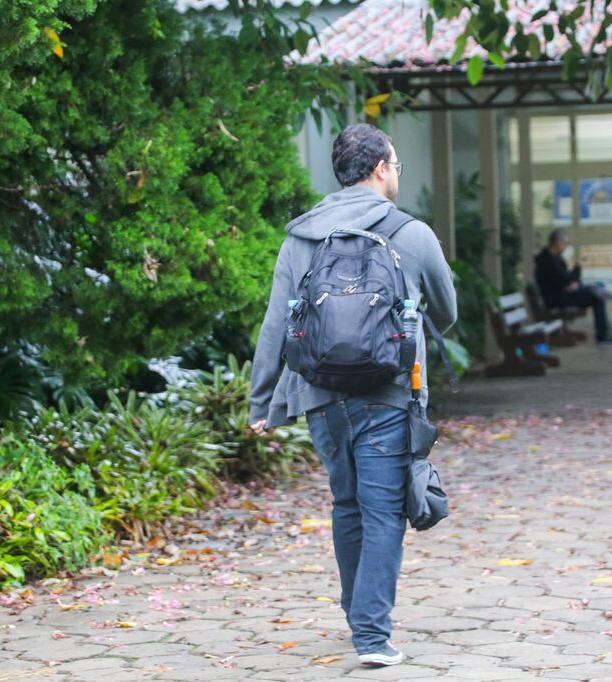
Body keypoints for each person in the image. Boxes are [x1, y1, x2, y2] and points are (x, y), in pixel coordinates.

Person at [248, 123, 457, 667]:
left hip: (317, 394)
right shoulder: (411, 233)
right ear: (382, 168)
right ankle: (371, 635)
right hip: (388, 393)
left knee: (348, 504)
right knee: (384, 510)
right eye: (397, 164)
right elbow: (448, 311)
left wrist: (262, 404)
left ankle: (356, 613)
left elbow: (276, 324)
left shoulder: (301, 236)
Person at [533, 230, 612, 346]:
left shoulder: (553, 258)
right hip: (558, 299)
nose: (566, 246)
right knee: (597, 298)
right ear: (558, 242)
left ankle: (597, 289)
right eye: (565, 242)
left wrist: (573, 283)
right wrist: (577, 269)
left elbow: (564, 279)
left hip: (563, 294)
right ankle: (603, 337)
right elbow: (564, 279)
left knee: (596, 288)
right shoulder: (548, 260)